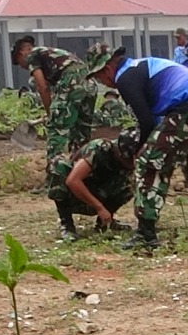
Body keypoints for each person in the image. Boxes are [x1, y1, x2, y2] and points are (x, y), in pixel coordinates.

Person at [93, 46, 188, 252]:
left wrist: (140, 150)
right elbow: (154, 121)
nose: (102, 83)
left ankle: (146, 234)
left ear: (107, 68)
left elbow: (146, 122)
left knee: (148, 164)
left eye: (98, 77)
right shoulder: (139, 68)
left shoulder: (125, 79)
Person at [15, 40, 119, 234]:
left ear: (22, 53)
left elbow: (42, 86)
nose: (23, 66)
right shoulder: (58, 55)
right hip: (89, 83)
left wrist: (51, 112)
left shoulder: (33, 55)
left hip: (72, 82)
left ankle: (53, 179)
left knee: (56, 134)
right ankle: (83, 174)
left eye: (19, 62)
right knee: (82, 137)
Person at [62, 130, 141, 231]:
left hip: (99, 189)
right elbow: (72, 181)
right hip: (75, 194)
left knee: (130, 186)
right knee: (57, 169)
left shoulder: (128, 157)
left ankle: (104, 222)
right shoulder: (99, 148)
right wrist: (99, 208)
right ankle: (66, 224)